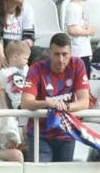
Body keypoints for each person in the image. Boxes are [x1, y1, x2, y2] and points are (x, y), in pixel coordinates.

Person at [21, 33, 90, 163]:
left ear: (71, 53)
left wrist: (65, 106)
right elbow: (26, 102)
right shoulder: (36, 68)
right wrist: (49, 103)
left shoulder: (78, 64)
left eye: (65, 54)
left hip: (67, 133)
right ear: (49, 53)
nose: (61, 59)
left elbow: (85, 102)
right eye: (56, 54)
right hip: (40, 133)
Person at [65, 0, 96, 78]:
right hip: (77, 52)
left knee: (85, 78)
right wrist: (89, 32)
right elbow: (72, 30)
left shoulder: (77, 7)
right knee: (80, 80)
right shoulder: (73, 8)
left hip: (83, 51)